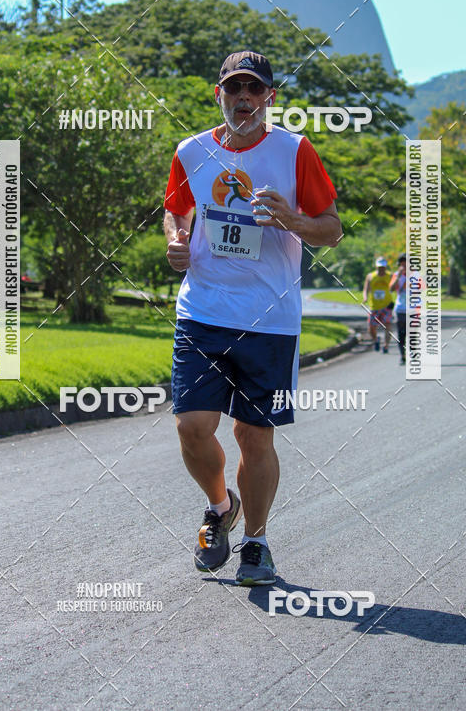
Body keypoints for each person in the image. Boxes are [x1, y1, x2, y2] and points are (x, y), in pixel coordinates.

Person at [163, 50, 341, 586]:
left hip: (270, 321)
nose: (244, 97)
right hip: (202, 312)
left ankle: (256, 543)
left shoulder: (294, 151)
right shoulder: (190, 151)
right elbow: (177, 209)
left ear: (270, 98)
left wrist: (294, 219)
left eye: (255, 89)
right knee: (192, 427)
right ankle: (220, 508)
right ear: (217, 93)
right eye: (234, 87)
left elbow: (331, 228)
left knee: (253, 436)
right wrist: (175, 239)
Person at [363, 257, 393, 353]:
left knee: (387, 326)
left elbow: (395, 287)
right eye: (379, 267)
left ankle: (386, 346)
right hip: (374, 306)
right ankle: (376, 340)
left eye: (383, 267)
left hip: (387, 305)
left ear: (385, 267)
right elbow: (366, 289)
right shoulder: (371, 276)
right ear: (376, 267)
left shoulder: (390, 276)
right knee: (371, 328)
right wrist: (365, 298)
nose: (381, 269)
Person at [390, 253, 407, 365]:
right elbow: (391, 289)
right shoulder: (396, 275)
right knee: (401, 334)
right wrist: (399, 276)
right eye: (402, 264)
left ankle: (414, 356)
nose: (405, 266)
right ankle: (403, 356)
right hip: (400, 308)